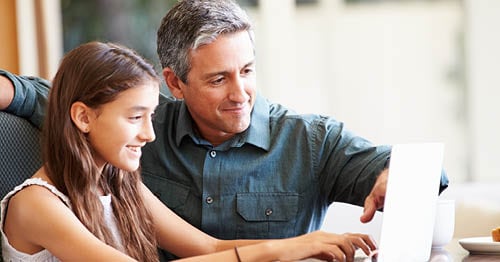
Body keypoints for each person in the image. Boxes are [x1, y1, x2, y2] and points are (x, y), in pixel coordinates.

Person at [0, 0, 449, 260]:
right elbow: (52, 96)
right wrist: (290, 248)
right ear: (174, 82)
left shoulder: (309, 140)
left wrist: (400, 176)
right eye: (218, 79)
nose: (241, 93)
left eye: (248, 71)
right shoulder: (122, 137)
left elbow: (210, 247)